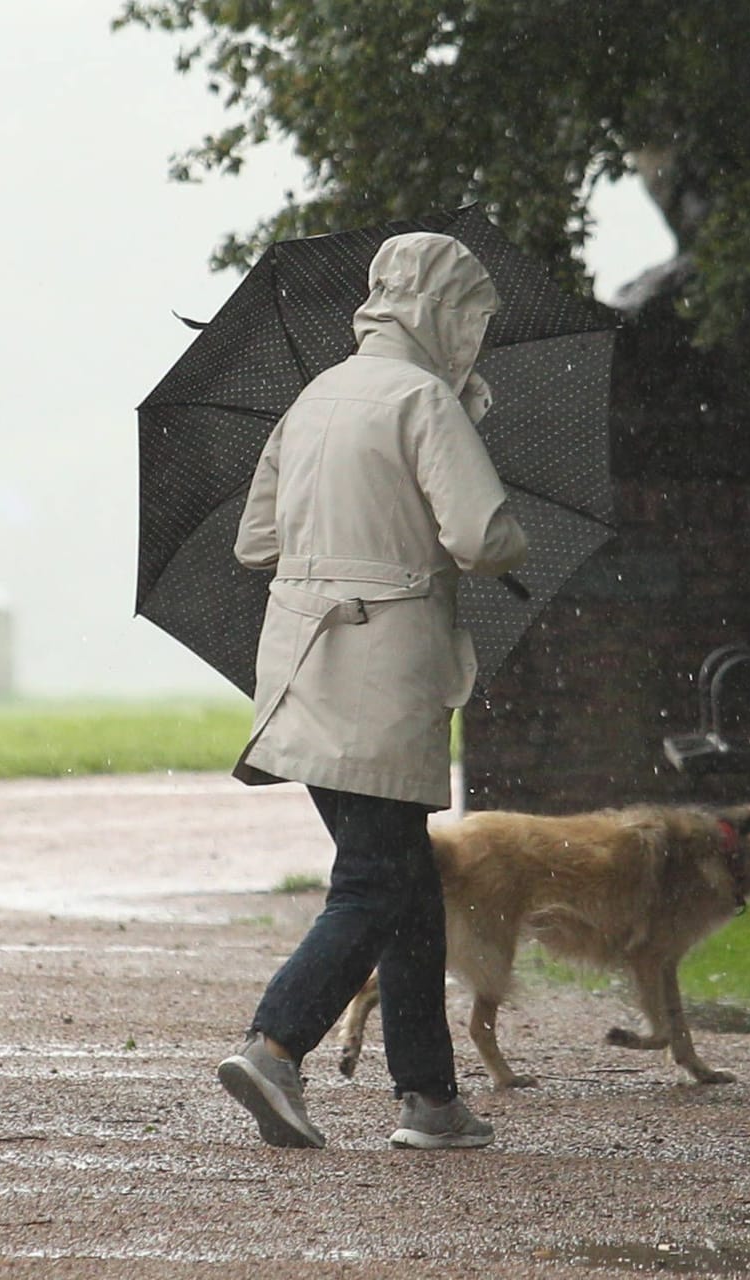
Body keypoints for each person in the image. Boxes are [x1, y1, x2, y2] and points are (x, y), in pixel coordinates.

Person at [215, 232, 527, 1150]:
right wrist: (498, 535)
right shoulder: (424, 400)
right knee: (373, 885)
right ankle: (275, 1046)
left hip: (303, 671)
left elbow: (254, 543)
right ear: (440, 309)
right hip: (385, 673)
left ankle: (429, 1100)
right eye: (469, 316)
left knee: (406, 885)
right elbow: (481, 535)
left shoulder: (312, 399)